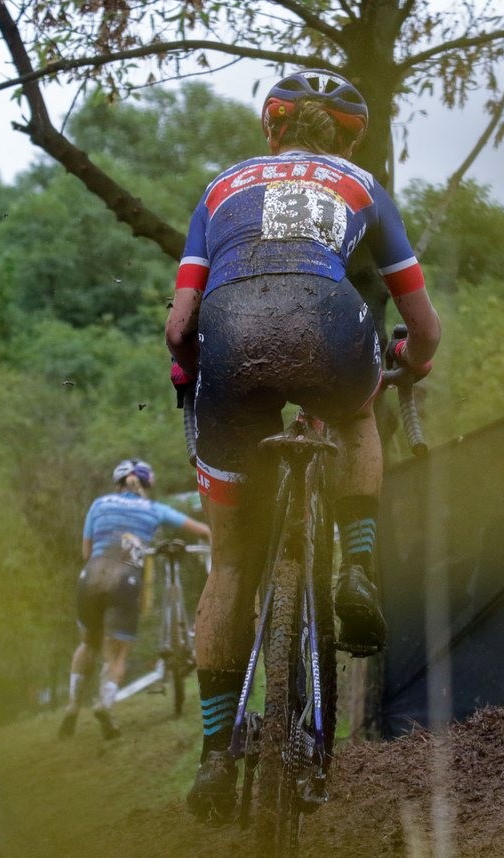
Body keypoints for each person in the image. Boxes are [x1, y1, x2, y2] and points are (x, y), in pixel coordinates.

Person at [165, 69, 441, 821]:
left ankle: (217, 752)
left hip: (229, 330)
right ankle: (354, 566)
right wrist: (409, 363)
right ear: (343, 133)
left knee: (227, 566)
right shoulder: (363, 186)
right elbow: (424, 326)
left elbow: (180, 317)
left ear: (273, 128)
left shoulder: (221, 188)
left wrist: (191, 369)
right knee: (354, 417)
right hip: (326, 321)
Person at [58, 459, 211, 739]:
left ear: (117, 484)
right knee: (117, 656)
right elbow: (202, 531)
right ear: (147, 485)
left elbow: (86, 552)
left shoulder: (99, 504)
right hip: (124, 580)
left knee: (88, 644)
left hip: (91, 575)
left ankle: (72, 706)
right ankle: (104, 705)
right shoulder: (153, 508)